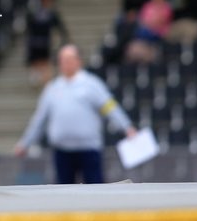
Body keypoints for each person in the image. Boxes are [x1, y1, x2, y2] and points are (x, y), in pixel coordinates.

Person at [14, 45, 136, 184]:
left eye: (69, 59)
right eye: (62, 60)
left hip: (89, 150)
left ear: (78, 61)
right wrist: (25, 143)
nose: (66, 63)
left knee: (95, 192)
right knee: (64, 194)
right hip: (62, 151)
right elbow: (39, 119)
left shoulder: (91, 84)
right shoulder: (53, 88)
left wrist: (127, 127)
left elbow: (110, 107)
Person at [25, 0, 68, 87]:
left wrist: (63, 39)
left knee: (46, 62)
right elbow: (29, 28)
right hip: (35, 42)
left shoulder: (51, 14)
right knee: (37, 62)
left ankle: (46, 82)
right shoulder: (34, 12)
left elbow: (60, 27)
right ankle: (38, 78)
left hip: (45, 43)